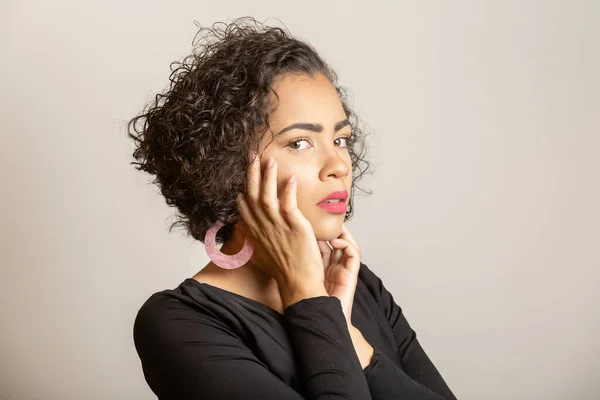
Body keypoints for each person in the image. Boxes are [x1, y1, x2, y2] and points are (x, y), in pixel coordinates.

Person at [128, 17, 457, 400]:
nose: (339, 165)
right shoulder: (179, 323)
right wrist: (308, 297)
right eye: (300, 142)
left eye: (341, 138)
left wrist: (353, 341)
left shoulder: (359, 285)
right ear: (227, 162)